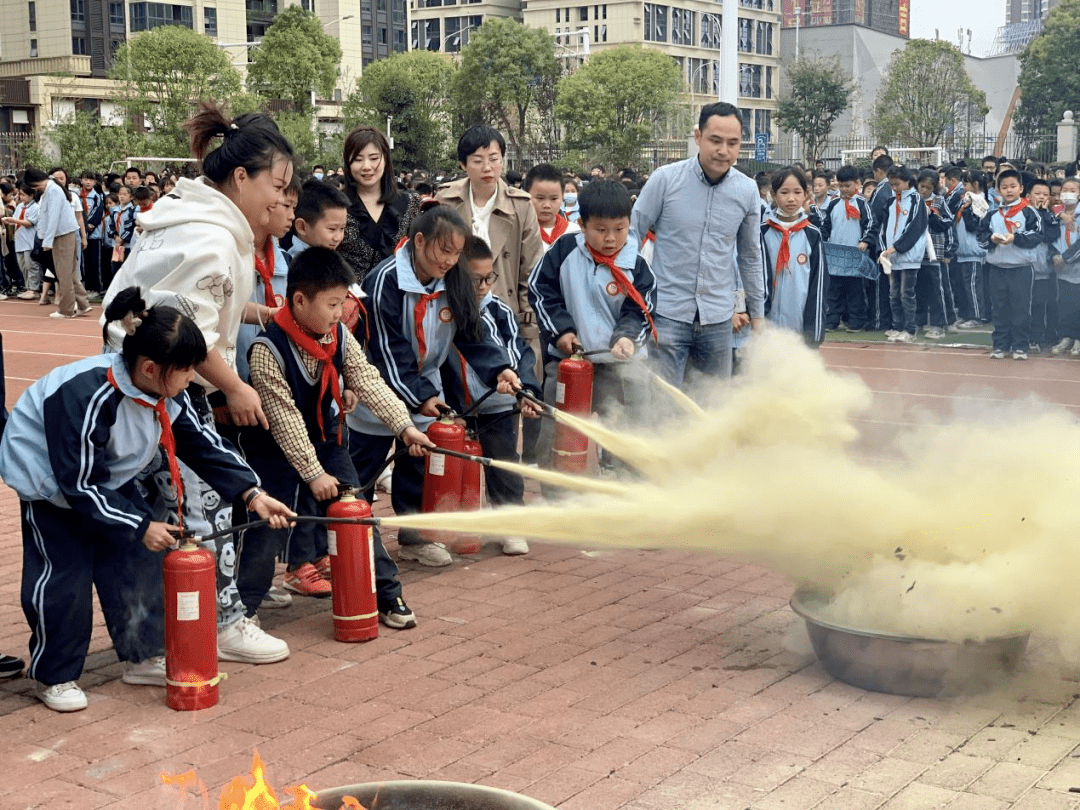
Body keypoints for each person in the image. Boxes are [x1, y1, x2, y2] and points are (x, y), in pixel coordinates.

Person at [0, 288, 294, 712]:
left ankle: (142, 656)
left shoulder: (168, 394)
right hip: (51, 488)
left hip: (105, 479)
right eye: (188, 369)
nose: (193, 378)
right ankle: (55, 676)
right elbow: (78, 483)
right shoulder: (87, 396)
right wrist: (139, 524)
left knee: (136, 564)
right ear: (152, 368)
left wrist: (254, 494)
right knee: (64, 578)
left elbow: (204, 446)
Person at [102, 102, 297, 664]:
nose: (281, 201)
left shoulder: (186, 219)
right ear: (241, 177)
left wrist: (255, 314)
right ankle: (224, 623)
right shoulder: (211, 239)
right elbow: (187, 337)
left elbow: (187, 310)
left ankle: (153, 645)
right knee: (203, 504)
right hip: (164, 392)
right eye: (277, 186)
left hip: (139, 387)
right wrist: (235, 387)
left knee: (166, 515)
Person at [236, 247, 432, 623]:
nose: (340, 313)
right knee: (267, 529)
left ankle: (388, 596)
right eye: (331, 304)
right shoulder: (267, 349)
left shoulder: (337, 334)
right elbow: (285, 421)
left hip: (325, 442)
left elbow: (368, 380)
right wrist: (313, 475)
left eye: (343, 303)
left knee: (357, 515)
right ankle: (243, 611)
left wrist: (405, 427)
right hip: (272, 451)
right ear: (298, 300)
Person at [347, 206, 524, 569]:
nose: (450, 260)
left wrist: (499, 370)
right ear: (419, 241)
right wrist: (420, 396)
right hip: (379, 386)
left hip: (424, 382)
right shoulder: (385, 280)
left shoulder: (455, 278)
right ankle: (346, 538)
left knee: (420, 463)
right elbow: (386, 349)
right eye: (444, 250)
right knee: (362, 468)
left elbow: (472, 333)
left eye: (457, 252)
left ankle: (415, 537)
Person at [631, 102, 764, 387]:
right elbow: (632, 233)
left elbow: (751, 256)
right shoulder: (664, 180)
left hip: (718, 319)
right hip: (667, 315)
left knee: (711, 405)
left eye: (733, 143)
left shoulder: (747, 190)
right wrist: (634, 294)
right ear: (698, 137)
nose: (723, 150)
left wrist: (758, 314)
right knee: (664, 405)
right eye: (715, 140)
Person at [530, 179, 655, 456]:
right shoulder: (564, 252)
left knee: (631, 440)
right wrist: (562, 332)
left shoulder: (637, 265)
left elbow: (641, 311)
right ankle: (559, 495)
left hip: (622, 368)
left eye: (619, 229)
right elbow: (541, 292)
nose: (610, 238)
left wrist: (626, 338)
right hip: (569, 365)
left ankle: (630, 492)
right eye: (600, 230)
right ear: (582, 225)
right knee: (560, 439)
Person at [444, 236, 543, 555]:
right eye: (476, 280)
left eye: (490, 278)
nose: (485, 285)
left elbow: (519, 352)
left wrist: (523, 389)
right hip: (457, 408)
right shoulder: (445, 310)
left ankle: (508, 524)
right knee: (457, 470)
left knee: (503, 464)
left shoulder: (499, 310)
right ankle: (459, 528)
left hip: (500, 406)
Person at [435, 126, 544, 370]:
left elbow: (531, 271)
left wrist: (528, 325)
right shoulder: (445, 200)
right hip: (454, 311)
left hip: (506, 312)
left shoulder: (521, 206)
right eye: (478, 160)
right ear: (463, 164)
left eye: (494, 159)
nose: (487, 168)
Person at [338, 126, 422, 284]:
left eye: (374, 158)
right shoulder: (336, 204)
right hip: (348, 301)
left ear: (385, 159)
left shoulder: (411, 203)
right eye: (357, 159)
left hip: (398, 299)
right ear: (348, 163)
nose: (366, 166)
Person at [977, 169, 1043, 360]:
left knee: (1021, 308)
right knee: (999, 308)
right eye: (1004, 187)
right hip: (997, 268)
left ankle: (1020, 346)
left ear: (1021, 188)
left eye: (1013, 186)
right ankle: (1000, 345)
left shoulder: (1029, 212)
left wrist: (1015, 238)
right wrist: (992, 239)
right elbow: (980, 237)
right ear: (998, 190)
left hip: (1021, 268)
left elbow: (1037, 236)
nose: (1009, 191)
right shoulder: (992, 215)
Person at [760, 168, 828, 344]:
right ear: (773, 194)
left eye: (797, 192)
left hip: (798, 325)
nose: (791, 198)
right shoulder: (761, 232)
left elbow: (818, 285)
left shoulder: (812, 235)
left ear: (806, 194)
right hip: (764, 326)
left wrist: (813, 332)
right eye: (784, 192)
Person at [23, 168, 92, 320]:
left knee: (64, 274)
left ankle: (66, 310)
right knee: (70, 272)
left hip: (61, 235)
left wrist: (46, 241)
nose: (36, 190)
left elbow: (53, 217)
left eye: (35, 187)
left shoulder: (53, 190)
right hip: (62, 234)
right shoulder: (51, 188)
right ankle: (82, 304)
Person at [878, 166, 930, 344]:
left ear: (908, 181)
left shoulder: (916, 200)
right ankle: (897, 326)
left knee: (906, 293)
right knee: (893, 294)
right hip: (892, 256)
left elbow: (915, 228)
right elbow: (883, 227)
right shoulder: (892, 201)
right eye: (892, 184)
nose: (895, 187)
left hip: (909, 256)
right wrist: (884, 248)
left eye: (897, 184)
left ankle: (910, 329)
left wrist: (897, 247)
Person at [820, 165, 870, 332]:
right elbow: (826, 226)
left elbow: (871, 224)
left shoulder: (862, 203)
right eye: (841, 186)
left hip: (855, 254)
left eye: (847, 186)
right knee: (834, 291)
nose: (844, 189)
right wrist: (822, 241)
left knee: (855, 291)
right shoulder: (834, 203)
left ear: (857, 184)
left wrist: (865, 240)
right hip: (836, 255)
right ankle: (831, 320)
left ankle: (856, 321)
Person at [914, 169, 956, 340]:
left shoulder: (939, 201)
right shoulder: (913, 200)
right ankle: (918, 321)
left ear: (934, 188)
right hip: (916, 253)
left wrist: (933, 215)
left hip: (935, 253)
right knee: (918, 290)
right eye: (921, 186)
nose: (924, 191)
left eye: (928, 188)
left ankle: (940, 323)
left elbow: (948, 223)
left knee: (938, 290)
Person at [952, 171, 991, 327]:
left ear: (975, 184)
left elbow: (974, 225)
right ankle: (965, 313)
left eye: (966, 183)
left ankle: (977, 316)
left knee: (973, 286)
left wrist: (967, 209)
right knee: (963, 286)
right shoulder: (965, 201)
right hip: (962, 250)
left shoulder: (980, 202)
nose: (963, 187)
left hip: (973, 251)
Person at [1028, 177, 1058, 353]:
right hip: (1024, 268)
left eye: (1045, 194)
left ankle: (1038, 338)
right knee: (1024, 306)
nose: (1041, 197)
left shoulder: (1053, 214)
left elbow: (1052, 235)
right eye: (1037, 193)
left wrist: (1045, 213)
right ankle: (1022, 337)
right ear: (1028, 195)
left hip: (1044, 270)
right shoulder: (1024, 212)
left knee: (1040, 304)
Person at [1050, 176, 1080, 355]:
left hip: (1075, 266)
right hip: (1061, 270)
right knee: (1065, 303)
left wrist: (1066, 258)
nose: (1068, 194)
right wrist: (1054, 256)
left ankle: (1078, 338)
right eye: (1065, 190)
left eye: (1073, 190)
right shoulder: (1056, 212)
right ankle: (1066, 336)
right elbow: (1051, 236)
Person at [287, 180, 349, 262]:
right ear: (302, 227)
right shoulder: (300, 264)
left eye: (342, 228)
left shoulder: (326, 256)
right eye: (332, 229)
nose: (338, 238)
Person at [524, 163, 579, 252]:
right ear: (526, 195)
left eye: (554, 198)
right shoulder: (519, 234)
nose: (547, 205)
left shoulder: (575, 232)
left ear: (562, 197)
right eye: (540, 198)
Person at [1, 182, 41, 300]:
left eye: (23, 195)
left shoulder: (36, 207)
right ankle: (28, 287)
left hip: (30, 241)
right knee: (23, 266)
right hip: (20, 241)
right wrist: (10, 221)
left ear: (31, 195)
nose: (20, 197)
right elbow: (17, 221)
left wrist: (14, 220)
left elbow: (29, 223)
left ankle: (34, 289)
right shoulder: (20, 207)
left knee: (31, 266)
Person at [79, 171, 105, 299]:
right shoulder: (77, 196)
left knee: (95, 262)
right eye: (85, 179)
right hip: (81, 233)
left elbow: (98, 213)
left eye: (91, 180)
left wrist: (89, 225)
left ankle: (97, 288)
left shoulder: (97, 196)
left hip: (94, 235)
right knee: (85, 262)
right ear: (81, 180)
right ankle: (86, 287)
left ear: (95, 182)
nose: (88, 182)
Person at [104, 184, 136, 287]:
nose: (121, 197)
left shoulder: (132, 211)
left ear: (131, 197)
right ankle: (117, 290)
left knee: (127, 269)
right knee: (116, 269)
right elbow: (110, 226)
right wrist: (114, 236)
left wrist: (123, 239)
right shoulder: (115, 211)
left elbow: (131, 226)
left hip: (128, 245)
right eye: (120, 194)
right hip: (117, 246)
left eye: (124, 194)